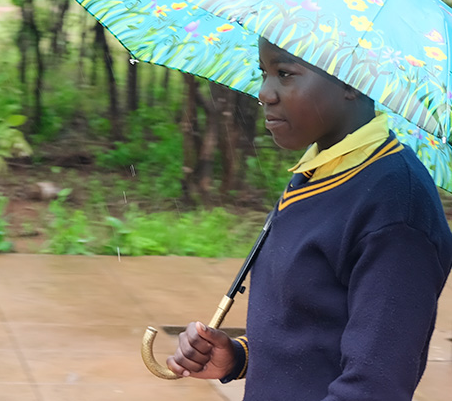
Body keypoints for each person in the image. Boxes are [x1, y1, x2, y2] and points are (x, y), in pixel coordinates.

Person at [166, 38, 452, 400]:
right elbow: (316, 330)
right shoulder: (321, 169)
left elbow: (374, 385)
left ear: (351, 80)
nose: (264, 93)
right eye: (264, 73)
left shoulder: (396, 208)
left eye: (284, 73)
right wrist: (239, 358)